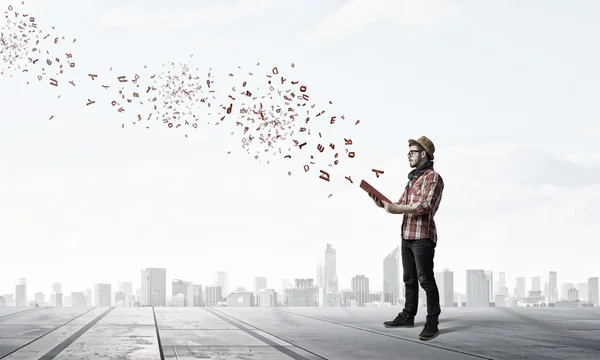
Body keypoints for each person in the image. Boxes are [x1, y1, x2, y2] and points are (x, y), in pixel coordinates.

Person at [368, 136, 444, 340]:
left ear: (424, 154)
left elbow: (427, 205)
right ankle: (408, 316)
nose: (408, 155)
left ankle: (432, 322)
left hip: (422, 237)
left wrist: (397, 208)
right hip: (407, 235)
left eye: (412, 152)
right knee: (409, 279)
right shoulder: (413, 179)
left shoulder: (433, 178)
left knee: (426, 280)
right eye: (408, 152)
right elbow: (400, 204)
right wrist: (382, 203)